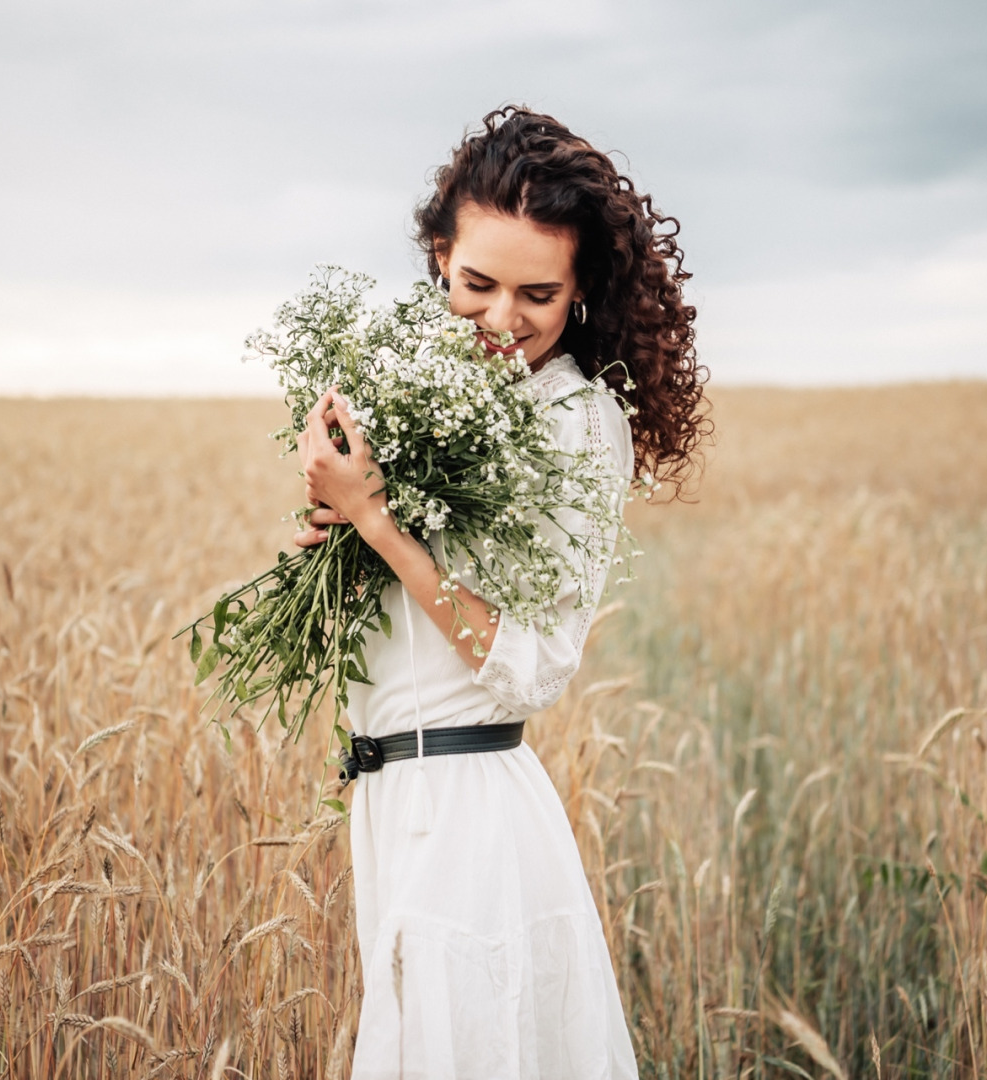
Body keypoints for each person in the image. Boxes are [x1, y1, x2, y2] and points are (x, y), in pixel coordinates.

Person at [293, 106, 707, 1078]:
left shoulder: (573, 419)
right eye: (476, 283)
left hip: (468, 815)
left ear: (581, 292)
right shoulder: (426, 396)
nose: (502, 320)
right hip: (393, 803)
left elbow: (527, 668)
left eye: (537, 293)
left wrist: (378, 523)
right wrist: (334, 527)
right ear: (438, 255)